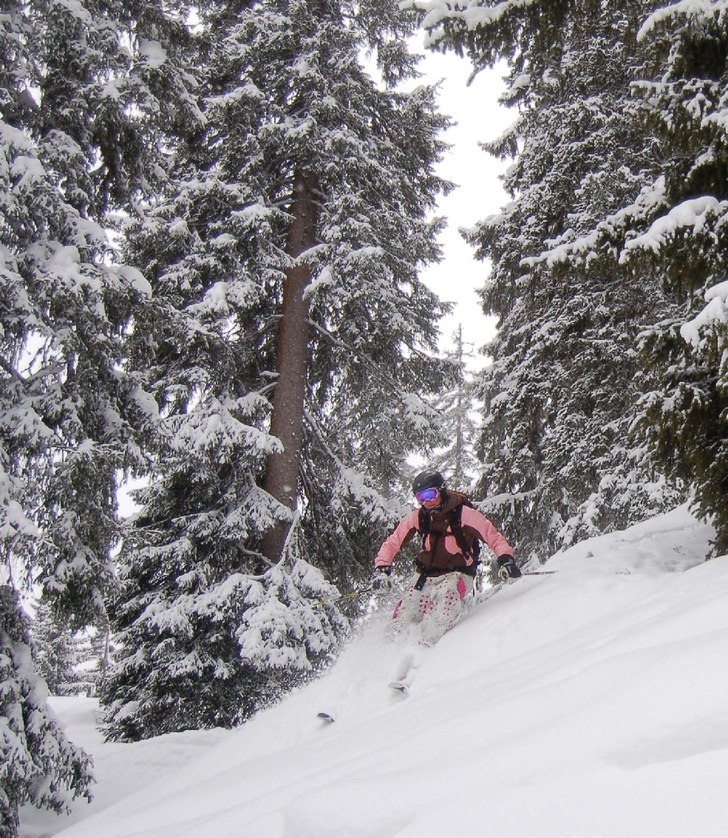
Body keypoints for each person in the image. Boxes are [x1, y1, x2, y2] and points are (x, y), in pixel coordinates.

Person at [372, 470, 520, 646]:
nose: (426, 502)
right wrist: (382, 569)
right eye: (420, 498)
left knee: (446, 598)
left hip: (458, 575)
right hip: (425, 576)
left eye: (430, 495)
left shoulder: (463, 514)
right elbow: (392, 543)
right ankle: (388, 651)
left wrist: (506, 560)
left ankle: (422, 650)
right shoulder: (420, 517)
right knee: (407, 611)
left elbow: (493, 537)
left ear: (441, 490)